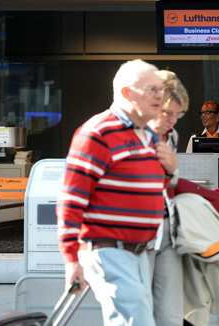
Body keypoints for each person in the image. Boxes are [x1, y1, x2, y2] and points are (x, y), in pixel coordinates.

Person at [56, 59, 177, 326]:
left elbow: (150, 190)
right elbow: (71, 199)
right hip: (110, 250)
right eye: (152, 89)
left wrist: (169, 171)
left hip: (140, 251)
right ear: (126, 93)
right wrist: (71, 258)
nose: (160, 96)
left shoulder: (147, 135)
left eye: (160, 89)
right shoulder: (97, 133)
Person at [146, 69, 189, 326]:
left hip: (167, 228)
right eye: (167, 113)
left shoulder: (171, 136)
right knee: (140, 307)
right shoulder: (132, 135)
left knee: (171, 311)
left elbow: (170, 182)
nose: (173, 120)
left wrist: (172, 168)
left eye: (178, 114)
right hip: (137, 233)